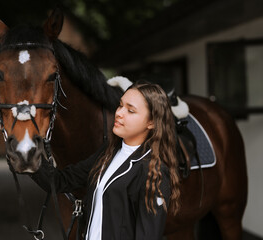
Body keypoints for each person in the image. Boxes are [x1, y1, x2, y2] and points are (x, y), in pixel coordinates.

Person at [31, 81, 180, 240]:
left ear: (151, 122)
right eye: (120, 105)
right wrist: (28, 155)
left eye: (130, 110)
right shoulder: (108, 151)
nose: (119, 113)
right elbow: (61, 181)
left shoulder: (153, 171)